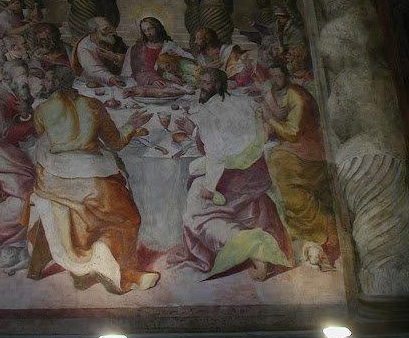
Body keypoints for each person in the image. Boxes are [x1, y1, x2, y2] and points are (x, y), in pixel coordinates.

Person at [21, 65, 160, 294]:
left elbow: (44, 138)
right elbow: (115, 142)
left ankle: (104, 263)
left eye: (46, 80)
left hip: (58, 181)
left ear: (55, 83)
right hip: (95, 179)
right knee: (129, 218)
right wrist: (132, 126)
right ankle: (123, 269)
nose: (43, 84)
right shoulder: (94, 105)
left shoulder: (42, 110)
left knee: (103, 215)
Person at [168, 67, 293, 281]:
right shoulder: (241, 101)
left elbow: (216, 154)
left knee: (195, 214)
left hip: (234, 179)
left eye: (206, 83)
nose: (201, 88)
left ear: (217, 86)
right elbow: (240, 137)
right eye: (201, 82)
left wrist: (209, 187)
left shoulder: (208, 114)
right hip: (256, 176)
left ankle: (255, 248)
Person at [258, 61, 338, 260]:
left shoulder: (297, 96)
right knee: (269, 162)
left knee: (280, 167)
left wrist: (271, 120)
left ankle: (319, 226)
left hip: (310, 150)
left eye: (279, 76)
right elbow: (264, 112)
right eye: (272, 77)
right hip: (291, 146)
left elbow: (293, 133)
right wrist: (266, 118)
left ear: (287, 76)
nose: (275, 81)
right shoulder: (275, 94)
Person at [0, 61, 37, 274]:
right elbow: (3, 135)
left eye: (26, 75)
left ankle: (18, 244)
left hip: (11, 148)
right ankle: (6, 243)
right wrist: (35, 122)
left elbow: (21, 114)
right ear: (7, 78)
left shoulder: (15, 89)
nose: (25, 80)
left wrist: (28, 114)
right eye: (21, 76)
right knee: (26, 188)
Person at [121, 17, 192, 86]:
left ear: (157, 28)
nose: (148, 33)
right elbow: (138, 71)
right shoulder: (138, 48)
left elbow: (189, 59)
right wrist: (153, 80)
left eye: (150, 29)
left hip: (170, 82)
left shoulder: (169, 45)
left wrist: (178, 57)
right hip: (146, 82)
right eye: (144, 31)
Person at [72, 16, 128, 88]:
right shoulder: (85, 46)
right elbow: (94, 70)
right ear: (95, 31)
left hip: (118, 80)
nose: (110, 31)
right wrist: (110, 78)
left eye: (110, 27)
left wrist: (116, 58)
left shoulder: (116, 40)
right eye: (105, 29)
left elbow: (129, 58)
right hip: (94, 83)